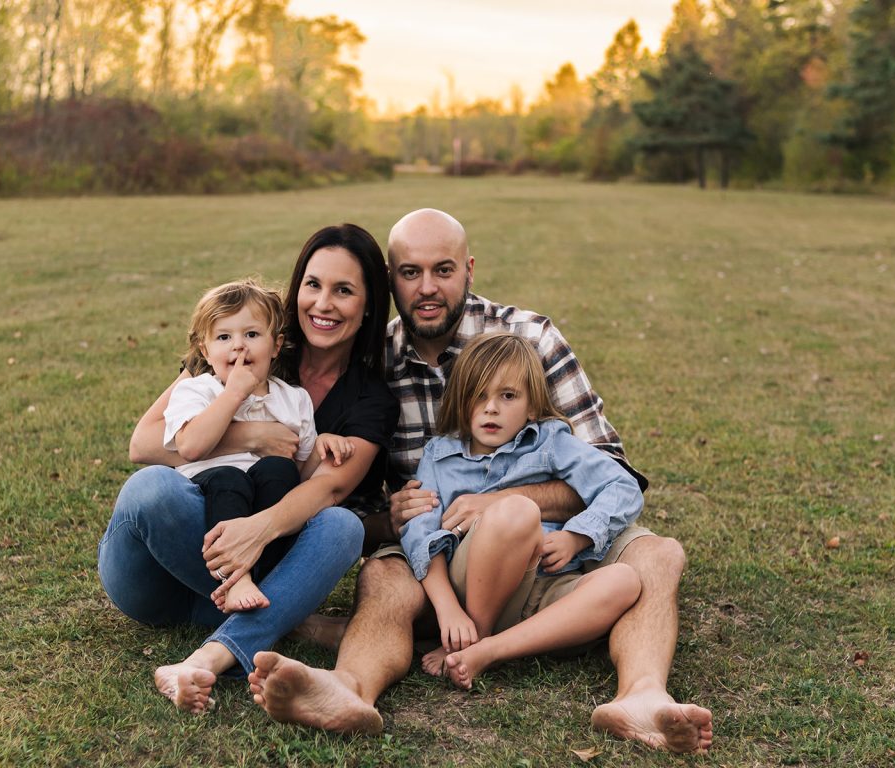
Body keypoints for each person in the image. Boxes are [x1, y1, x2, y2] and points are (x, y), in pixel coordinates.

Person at [249, 209, 713, 753]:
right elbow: (350, 503)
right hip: (442, 549)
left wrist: (503, 502)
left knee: (657, 555)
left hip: (556, 544)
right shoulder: (372, 364)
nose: (427, 288)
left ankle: (642, 695)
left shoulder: (530, 338)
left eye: (443, 270)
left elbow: (612, 467)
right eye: (410, 272)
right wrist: (390, 518)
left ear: (469, 269)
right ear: (390, 281)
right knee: (385, 577)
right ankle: (349, 688)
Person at [97, 223, 399, 714]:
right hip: (161, 571)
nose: (323, 303)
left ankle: (209, 655)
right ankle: (292, 619)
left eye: (344, 290)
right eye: (313, 284)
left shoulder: (367, 398)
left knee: (342, 527)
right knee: (150, 488)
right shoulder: (239, 338)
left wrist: (256, 531)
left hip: (257, 563)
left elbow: (325, 489)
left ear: (368, 306)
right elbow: (144, 444)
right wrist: (254, 435)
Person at [401, 332, 643, 685]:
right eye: (478, 395)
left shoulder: (550, 441)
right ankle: (475, 634)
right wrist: (448, 609)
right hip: (470, 590)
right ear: (461, 401)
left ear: (531, 407)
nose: (491, 408)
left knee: (624, 581)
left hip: (540, 589)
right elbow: (420, 535)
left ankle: (491, 649)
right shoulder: (439, 455)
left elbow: (623, 485)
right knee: (516, 510)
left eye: (508, 395)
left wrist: (577, 536)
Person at [163, 278, 355, 612]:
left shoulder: (293, 399)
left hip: (264, 517)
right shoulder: (197, 391)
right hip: (204, 502)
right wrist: (234, 393)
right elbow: (191, 447)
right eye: (224, 337)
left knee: (278, 469)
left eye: (251, 334)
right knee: (230, 478)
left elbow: (301, 472)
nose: (239, 346)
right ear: (205, 351)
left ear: (276, 345)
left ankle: (267, 579)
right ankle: (236, 579)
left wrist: (321, 446)